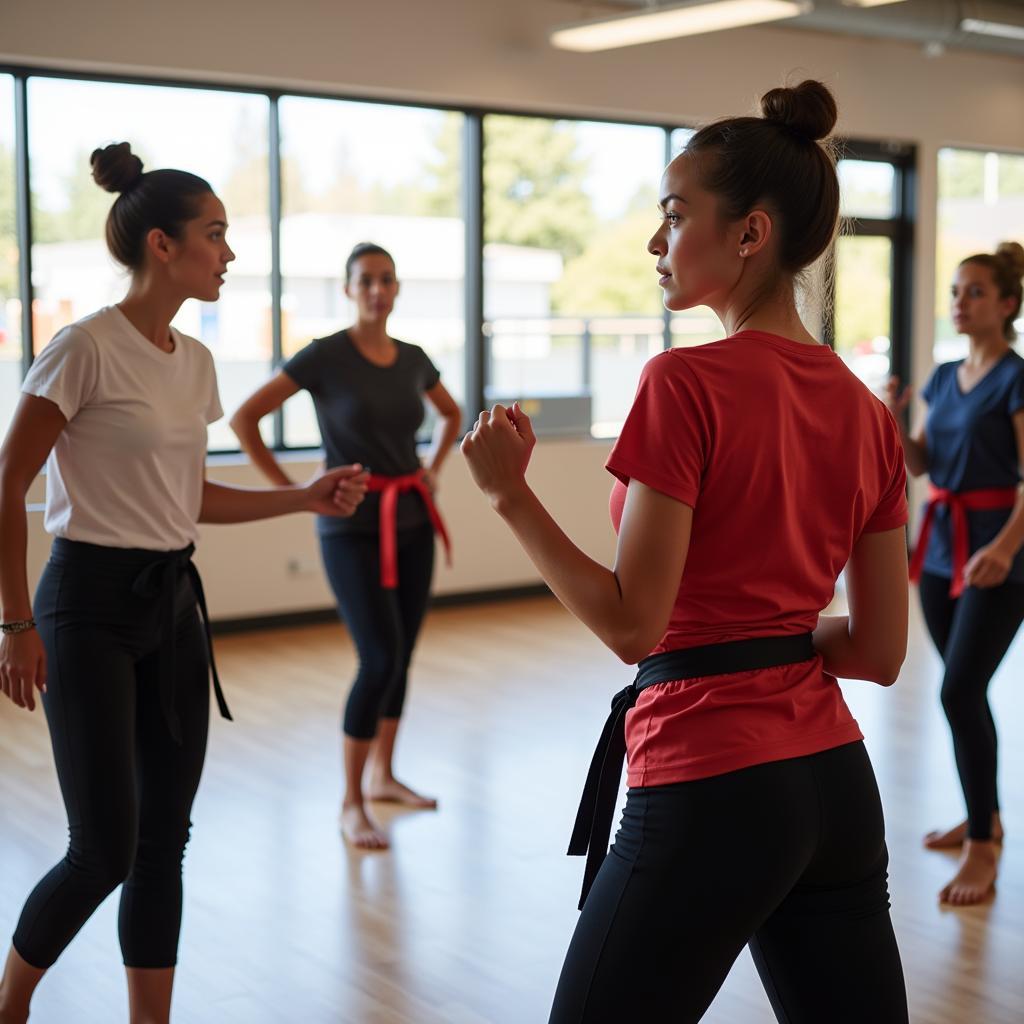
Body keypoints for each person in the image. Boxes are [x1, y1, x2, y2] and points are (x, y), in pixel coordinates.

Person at [462, 80, 910, 1023]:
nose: (656, 243)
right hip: (833, 785)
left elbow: (633, 623)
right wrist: (778, 634)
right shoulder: (866, 412)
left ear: (748, 234)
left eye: (674, 218)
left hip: (711, 781)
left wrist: (509, 495)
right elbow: (878, 652)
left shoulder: (683, 383)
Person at [0, 142, 367, 1024]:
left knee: (164, 840)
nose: (230, 254)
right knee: (104, 848)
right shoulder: (82, 349)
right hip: (83, 605)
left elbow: (188, 495)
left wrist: (301, 498)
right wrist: (15, 626)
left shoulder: (193, 362)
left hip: (171, 606)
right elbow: (7, 484)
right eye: (216, 235)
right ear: (161, 245)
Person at [230, 242, 461, 850]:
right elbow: (245, 418)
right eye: (366, 281)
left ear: (397, 287)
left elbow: (451, 413)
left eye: (387, 279)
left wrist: (432, 467)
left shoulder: (412, 359)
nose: (377, 290)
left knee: (402, 654)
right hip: (349, 528)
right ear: (348, 289)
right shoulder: (325, 356)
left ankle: (385, 774)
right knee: (378, 658)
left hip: (412, 517)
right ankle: (351, 801)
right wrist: (295, 492)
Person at [887, 240, 1024, 906]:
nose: (959, 303)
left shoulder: (1017, 378)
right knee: (963, 692)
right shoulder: (942, 377)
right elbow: (921, 465)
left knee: (958, 693)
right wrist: (892, 415)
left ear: (1007, 304)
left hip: (1001, 555)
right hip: (942, 550)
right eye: (954, 291)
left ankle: (984, 845)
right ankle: (984, 814)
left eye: (974, 292)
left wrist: (1004, 547)